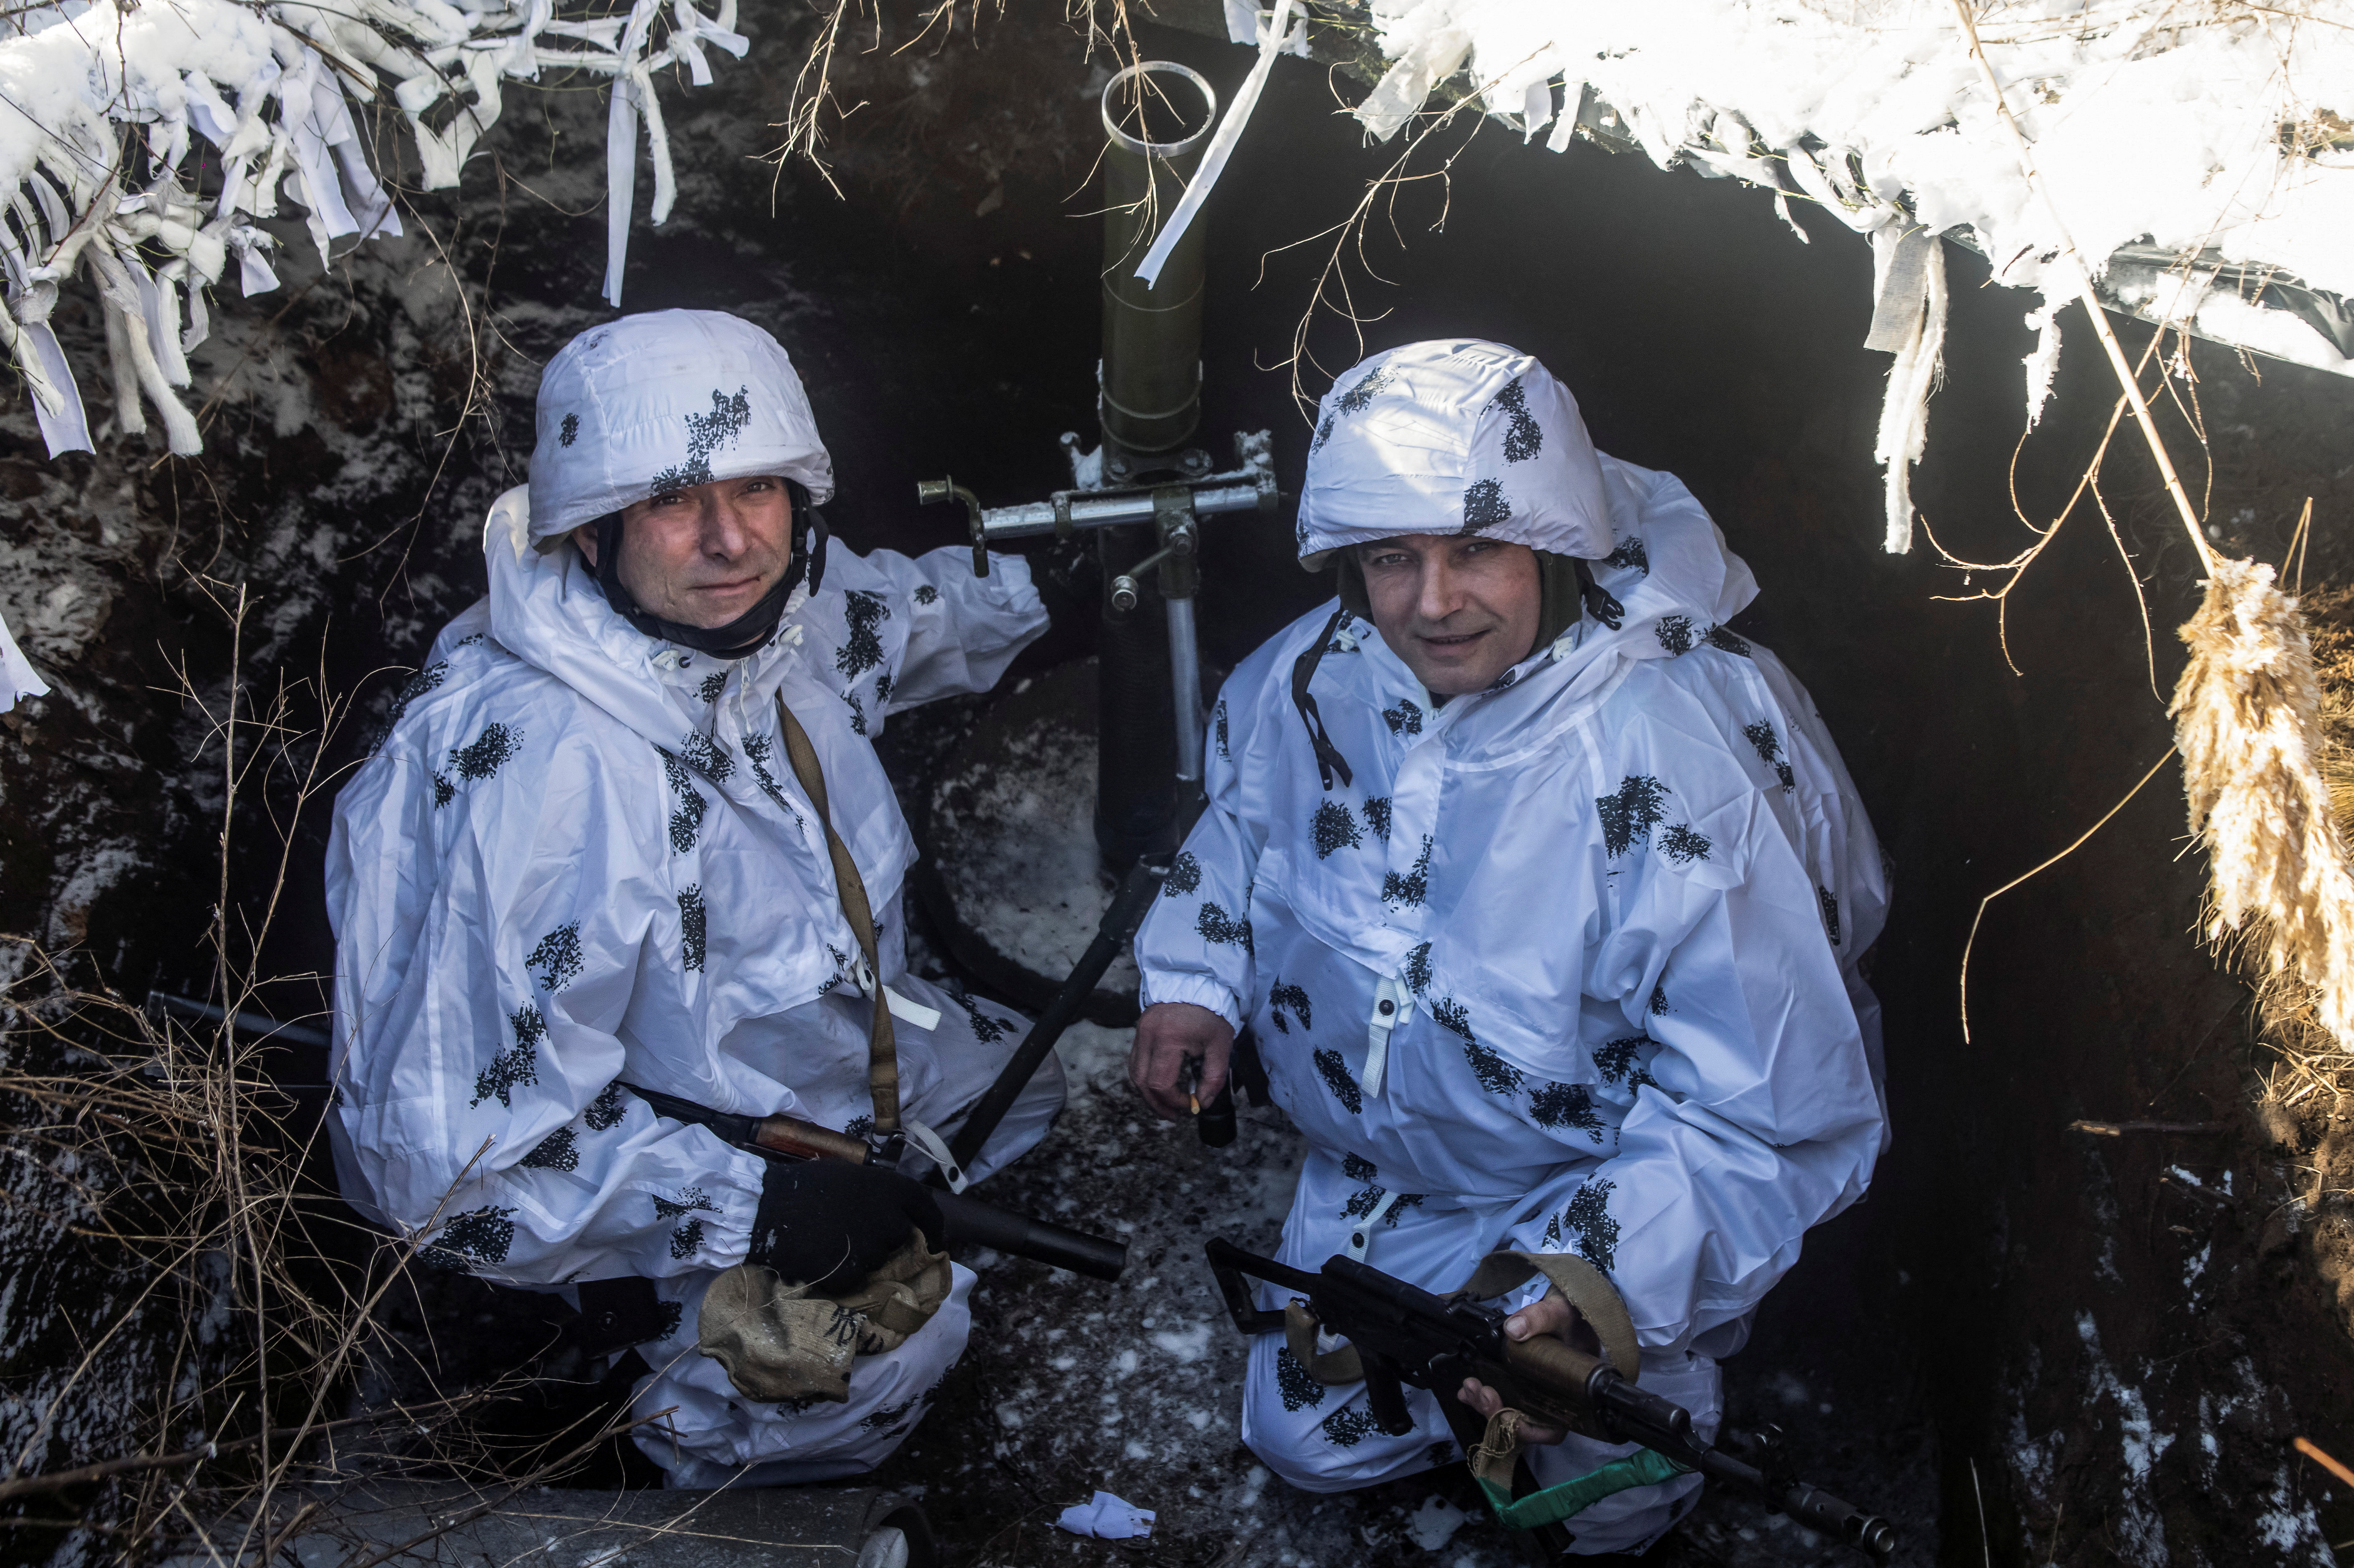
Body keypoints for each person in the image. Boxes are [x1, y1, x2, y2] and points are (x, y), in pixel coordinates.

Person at [1127, 339, 1888, 1553]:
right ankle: (1468, 1343)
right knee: (1301, 1436)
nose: (1432, 602)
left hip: (1579, 1186)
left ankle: (1647, 1361)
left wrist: (1591, 1294)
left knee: (1601, 1497)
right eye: (1394, 557)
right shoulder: (1321, 675)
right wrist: (1195, 981)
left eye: (1475, 548)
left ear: (1552, 543)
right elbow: (1239, 828)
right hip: (1395, 1171)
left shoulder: (1665, 765)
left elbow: (1765, 1104)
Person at [326, 309, 1064, 1488]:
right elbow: (447, 1165)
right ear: (597, 530)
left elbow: (892, 620)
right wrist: (757, 1210)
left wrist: (1067, 578)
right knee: (889, 1355)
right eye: (675, 502)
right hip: (652, 1181)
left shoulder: (766, 623)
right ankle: (664, 1424)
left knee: (1030, 1092)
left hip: (813, 1077)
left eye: (757, 492)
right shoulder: (557, 774)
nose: (729, 539)